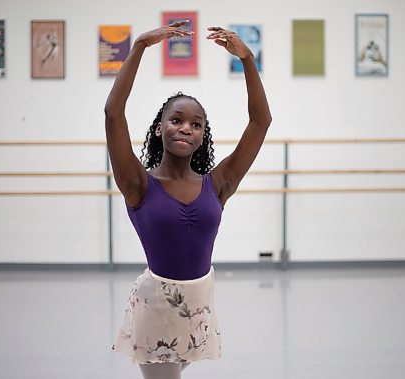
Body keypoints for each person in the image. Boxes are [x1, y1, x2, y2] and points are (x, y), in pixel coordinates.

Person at [104, 21, 271, 379]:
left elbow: (261, 122)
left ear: (202, 136)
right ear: (159, 128)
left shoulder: (220, 182)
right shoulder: (138, 184)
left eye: (196, 124)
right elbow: (113, 115)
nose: (185, 128)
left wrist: (248, 60)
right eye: (176, 120)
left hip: (199, 307)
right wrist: (138, 48)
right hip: (156, 306)